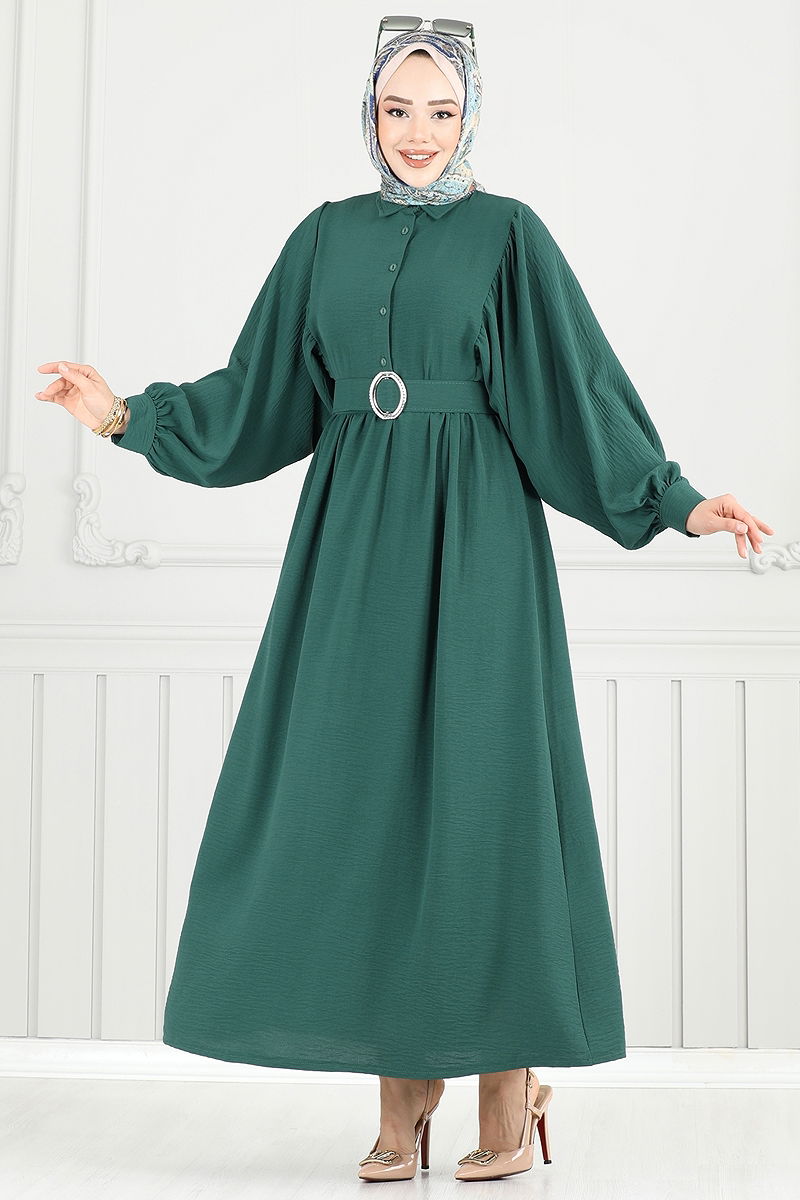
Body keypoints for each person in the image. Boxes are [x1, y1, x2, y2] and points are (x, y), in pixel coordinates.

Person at [35, 19, 773, 1186]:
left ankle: (506, 1084)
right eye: (396, 110)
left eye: (439, 110)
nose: (417, 133)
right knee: (363, 799)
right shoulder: (323, 237)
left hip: (478, 544)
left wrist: (676, 502)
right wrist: (126, 416)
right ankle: (400, 1089)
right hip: (350, 550)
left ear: (469, 114)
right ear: (368, 114)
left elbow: (574, 395)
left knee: (483, 797)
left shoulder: (507, 235)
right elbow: (259, 397)